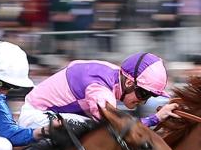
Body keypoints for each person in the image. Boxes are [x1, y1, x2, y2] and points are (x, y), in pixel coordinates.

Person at [17, 52, 179, 132]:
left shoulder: (115, 74)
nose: (143, 102)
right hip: (35, 117)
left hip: (50, 113)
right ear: (129, 82)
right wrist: (155, 119)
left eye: (150, 96)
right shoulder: (100, 90)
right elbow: (118, 129)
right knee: (97, 132)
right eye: (143, 94)